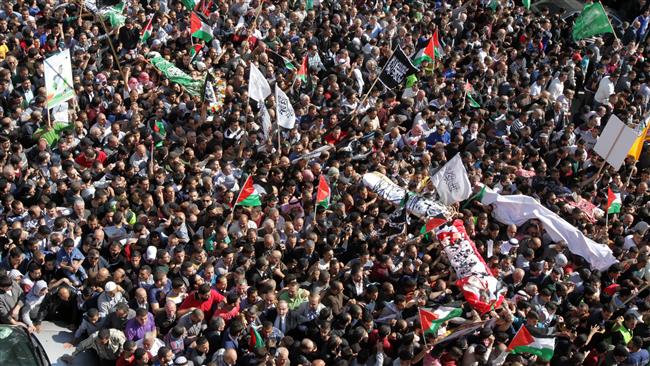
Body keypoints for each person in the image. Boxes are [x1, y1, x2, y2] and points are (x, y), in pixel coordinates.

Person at [62, 328, 127, 366]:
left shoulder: (117, 335)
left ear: (108, 338)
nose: (100, 343)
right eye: (98, 341)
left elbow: (124, 345)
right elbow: (82, 345)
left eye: (102, 342)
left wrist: (119, 354)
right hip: (104, 358)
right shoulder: (93, 337)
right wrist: (73, 355)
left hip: (117, 358)